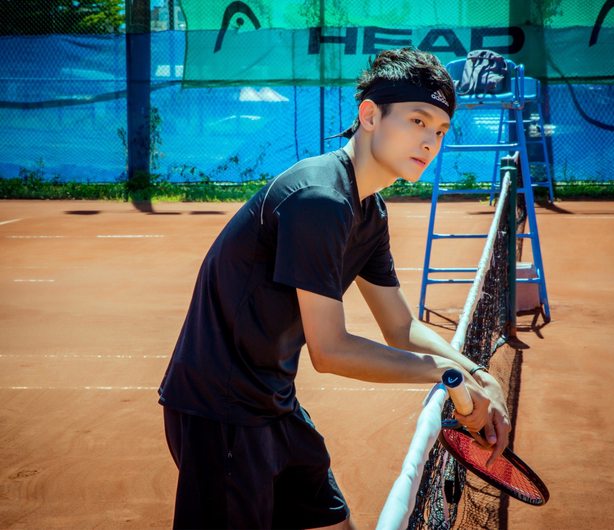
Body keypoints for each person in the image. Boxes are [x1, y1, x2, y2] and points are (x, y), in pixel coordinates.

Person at [158, 47, 511, 530]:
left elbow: (401, 326)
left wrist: (476, 373)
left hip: (273, 403)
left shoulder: (369, 211)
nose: (430, 141)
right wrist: (447, 377)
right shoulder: (320, 199)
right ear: (370, 116)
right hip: (219, 415)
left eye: (440, 130)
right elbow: (330, 350)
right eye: (417, 120)